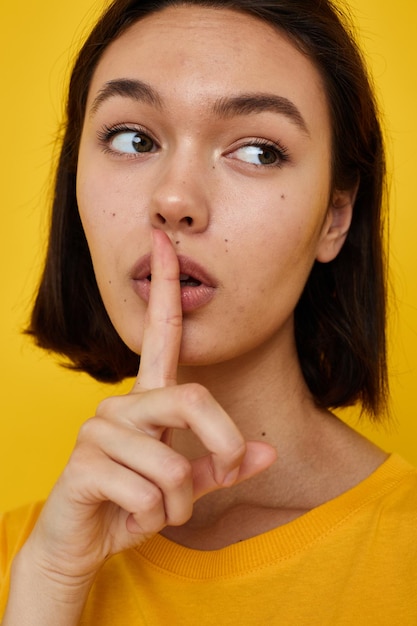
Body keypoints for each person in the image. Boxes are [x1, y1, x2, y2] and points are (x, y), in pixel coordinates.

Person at [1, 0, 417, 623]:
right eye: (132, 139)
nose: (174, 199)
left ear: (336, 216)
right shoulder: (26, 557)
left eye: (257, 152)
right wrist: (46, 585)